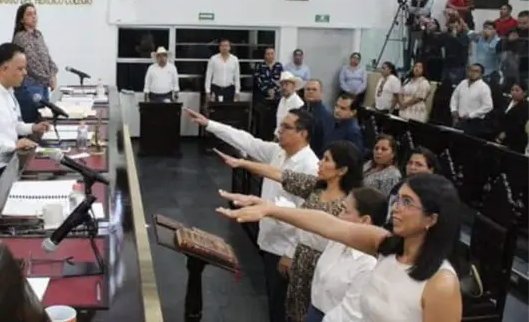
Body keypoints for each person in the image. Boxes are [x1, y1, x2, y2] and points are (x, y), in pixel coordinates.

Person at [217, 173, 463, 322]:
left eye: (408, 202)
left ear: (432, 219)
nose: (396, 208)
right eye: (397, 199)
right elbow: (329, 225)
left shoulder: (440, 283)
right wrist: (269, 208)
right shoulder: (386, 246)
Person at [183, 107, 319, 322]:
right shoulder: (278, 151)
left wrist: (291, 253)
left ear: (303, 134)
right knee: (272, 301)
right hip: (269, 239)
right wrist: (209, 124)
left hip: (285, 248)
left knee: (282, 307)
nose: (279, 130)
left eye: (286, 127)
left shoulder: (310, 166)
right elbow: (245, 140)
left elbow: (308, 216)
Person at [214, 141, 364, 322]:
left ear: (342, 170)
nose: (319, 163)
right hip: (301, 257)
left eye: (327, 160)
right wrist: (243, 163)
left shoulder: (348, 202)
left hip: (322, 262)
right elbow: (281, 175)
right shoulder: (316, 186)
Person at [307, 187, 388, 322]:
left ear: (364, 220)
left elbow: (351, 315)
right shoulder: (338, 242)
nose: (339, 216)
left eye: (345, 211)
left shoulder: (368, 263)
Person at [0, 43, 50, 184]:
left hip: (11, 161)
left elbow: (14, 124)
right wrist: (14, 144)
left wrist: (32, 128)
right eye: (20, 68)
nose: (25, 73)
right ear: (5, 68)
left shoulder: (8, 92)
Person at [12, 3, 58, 122]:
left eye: (35, 13)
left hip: (42, 86)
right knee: (34, 123)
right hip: (30, 86)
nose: (34, 17)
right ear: (22, 19)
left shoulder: (38, 34)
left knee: (43, 121)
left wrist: (53, 74)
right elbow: (32, 65)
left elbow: (47, 57)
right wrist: (48, 79)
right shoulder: (21, 37)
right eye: (29, 14)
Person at [450, 63, 493, 138]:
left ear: (481, 74)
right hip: (459, 120)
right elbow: (454, 97)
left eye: (476, 71)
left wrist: (471, 115)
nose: (473, 73)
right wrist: (453, 110)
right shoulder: (463, 83)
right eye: (471, 70)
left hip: (474, 122)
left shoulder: (484, 87)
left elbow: (488, 106)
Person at [302, 80, 334, 158]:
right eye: (308, 89)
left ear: (321, 92)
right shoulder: (300, 110)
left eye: (314, 89)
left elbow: (326, 141)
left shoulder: (326, 115)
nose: (310, 92)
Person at [496, 82, 529, 153]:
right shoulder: (507, 102)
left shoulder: (526, 106)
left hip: (516, 139)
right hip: (501, 137)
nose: (513, 92)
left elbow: (520, 123)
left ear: (525, 93)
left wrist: (506, 133)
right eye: (512, 90)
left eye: (517, 90)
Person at [205, 39, 241, 103]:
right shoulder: (213, 59)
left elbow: (237, 77)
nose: (224, 48)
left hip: (229, 89)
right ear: (219, 47)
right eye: (222, 46)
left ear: (229, 47)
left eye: (226, 46)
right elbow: (208, 76)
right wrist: (207, 91)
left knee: (228, 110)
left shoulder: (234, 59)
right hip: (216, 88)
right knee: (215, 110)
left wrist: (237, 91)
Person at [274, 72, 304, 138]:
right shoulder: (282, 100)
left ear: (293, 86)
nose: (284, 87)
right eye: (282, 85)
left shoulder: (298, 103)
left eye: (287, 84)